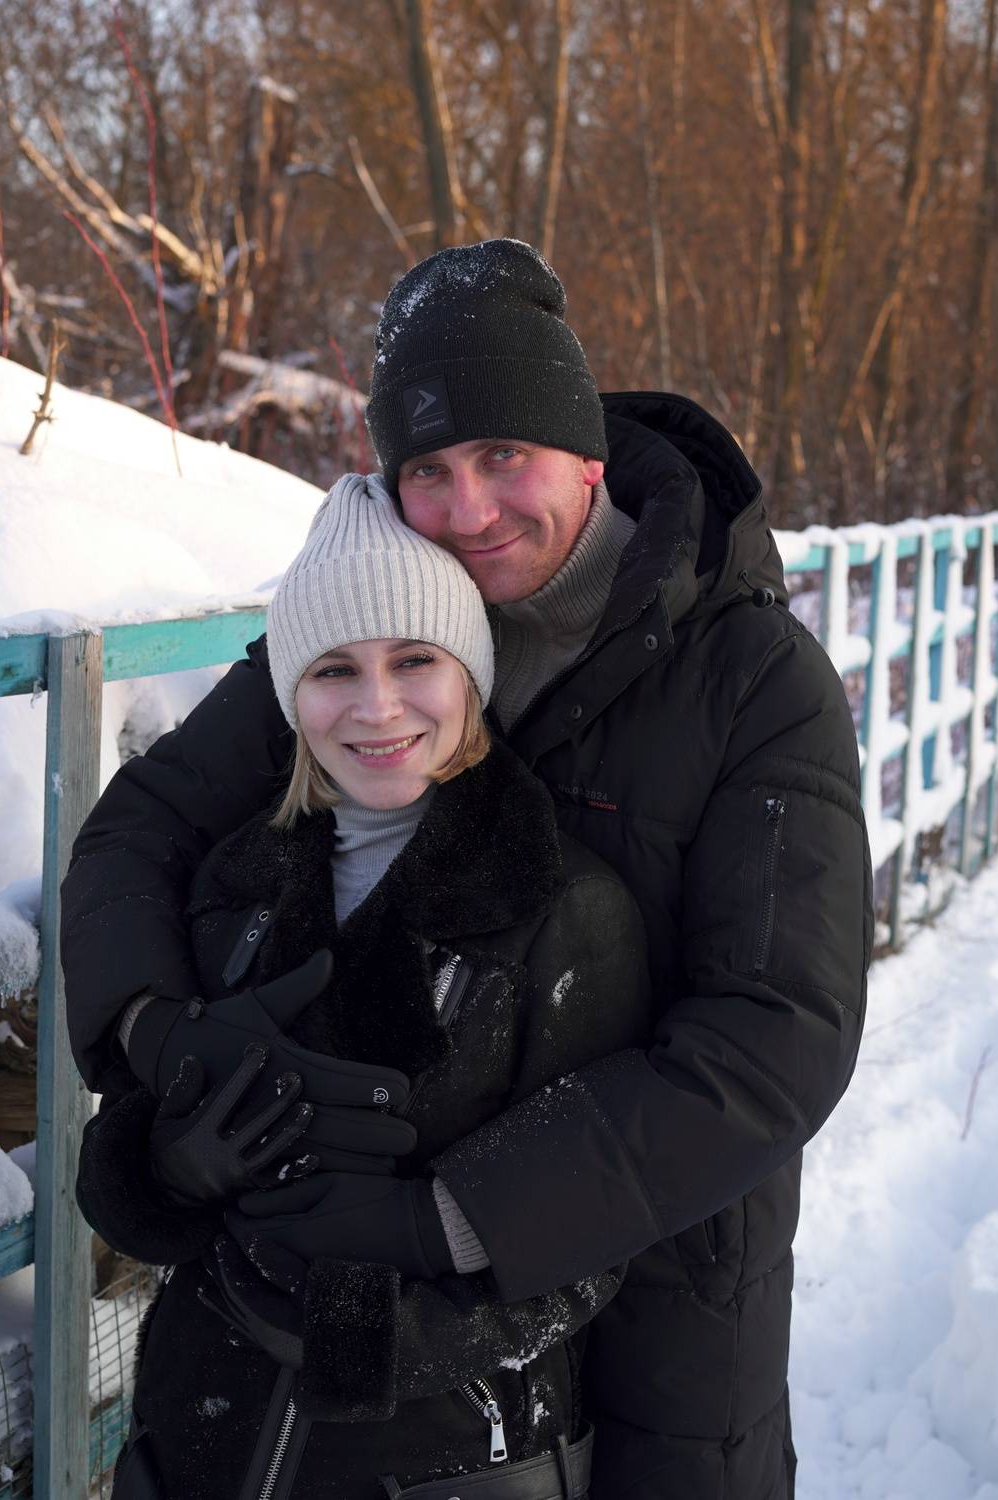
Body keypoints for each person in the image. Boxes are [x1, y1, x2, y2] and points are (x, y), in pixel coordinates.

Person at [63, 238, 873, 1500]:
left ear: (586, 454)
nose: (471, 509)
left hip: (661, 1288)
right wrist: (160, 1033)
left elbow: (777, 1036)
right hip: (381, 1345)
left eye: (505, 456)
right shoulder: (390, 625)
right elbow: (141, 828)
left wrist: (450, 1215)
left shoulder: (753, 682)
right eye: (428, 471)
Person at [76, 473, 651, 1499]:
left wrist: (361, 1336)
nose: (377, 706)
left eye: (415, 659)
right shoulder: (233, 883)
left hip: (436, 1462)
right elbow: (131, 1153)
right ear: (291, 695)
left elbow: (588, 1239)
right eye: (334, 668)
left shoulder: (565, 909)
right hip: (198, 1439)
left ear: (470, 673)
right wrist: (165, 1169)